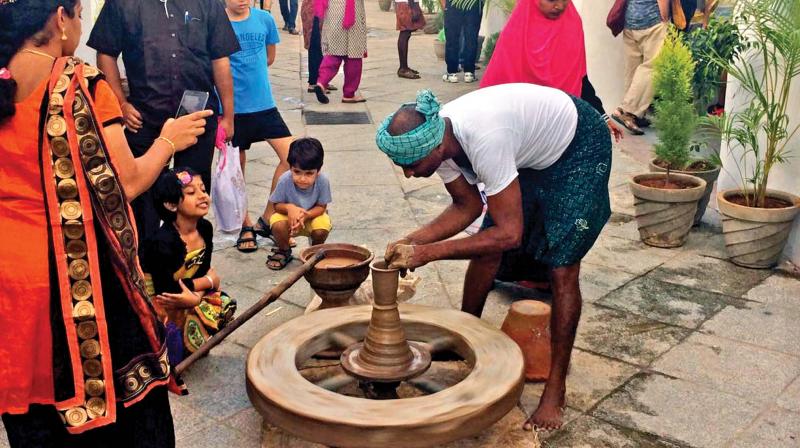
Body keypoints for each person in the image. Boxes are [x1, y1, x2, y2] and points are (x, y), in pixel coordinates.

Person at [0, 0, 212, 443]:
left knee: (30, 412)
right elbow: (128, 182)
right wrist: (168, 141)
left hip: (10, 285)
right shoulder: (79, 84)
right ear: (60, 17)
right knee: (127, 415)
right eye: (79, 15)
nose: (79, 27)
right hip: (73, 277)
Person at [375, 86, 611, 431]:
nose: (408, 174)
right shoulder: (437, 139)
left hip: (578, 145)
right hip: (530, 149)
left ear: (437, 147)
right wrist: (411, 241)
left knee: (562, 268)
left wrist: (428, 253)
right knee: (487, 251)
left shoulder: (484, 139)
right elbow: (466, 205)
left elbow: (509, 234)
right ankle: (462, 339)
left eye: (411, 166)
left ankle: (555, 390)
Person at [87, 0, 240, 242]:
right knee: (142, 196)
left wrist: (228, 116)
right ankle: (145, 263)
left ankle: (192, 260)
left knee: (193, 190)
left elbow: (220, 60)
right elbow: (106, 54)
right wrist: (121, 104)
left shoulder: (207, 3)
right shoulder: (122, 4)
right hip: (144, 118)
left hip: (196, 119)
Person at [481, 0, 623, 143]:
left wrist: (602, 116)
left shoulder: (572, 24)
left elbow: (579, 78)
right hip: (518, 130)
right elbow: (498, 84)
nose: (559, 6)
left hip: (559, 127)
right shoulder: (517, 31)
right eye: (551, 0)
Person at [141, 169, 236, 366]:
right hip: (160, 299)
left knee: (224, 303)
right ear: (171, 204)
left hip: (187, 293)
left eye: (203, 189)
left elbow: (204, 268)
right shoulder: (163, 242)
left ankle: (192, 339)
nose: (203, 196)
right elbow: (167, 290)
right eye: (191, 193)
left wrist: (198, 295)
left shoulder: (205, 228)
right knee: (171, 351)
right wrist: (209, 281)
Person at [224, 0, 297, 253]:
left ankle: (266, 218)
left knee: (292, 156)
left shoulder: (264, 20)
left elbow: (269, 57)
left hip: (264, 103)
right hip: (232, 108)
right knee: (235, 168)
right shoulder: (217, 23)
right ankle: (243, 222)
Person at [266, 138, 332, 270]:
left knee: (322, 227)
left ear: (318, 171)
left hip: (311, 216)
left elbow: (321, 207)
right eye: (297, 172)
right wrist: (290, 208)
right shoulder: (285, 179)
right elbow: (276, 205)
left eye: (309, 173)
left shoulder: (323, 181)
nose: (302, 178)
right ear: (290, 168)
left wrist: (305, 215)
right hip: (288, 219)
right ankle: (284, 250)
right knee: (276, 223)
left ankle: (314, 252)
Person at [610, 0, 669, 135]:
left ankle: (634, 114)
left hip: (630, 22)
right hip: (652, 22)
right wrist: (665, 19)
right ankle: (628, 112)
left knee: (633, 69)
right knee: (652, 67)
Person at [310, 0, 368, 104]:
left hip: (333, 14)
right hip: (353, 14)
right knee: (354, 55)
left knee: (333, 53)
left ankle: (321, 83)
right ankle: (349, 94)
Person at [301, 0, 339, 93]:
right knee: (315, 45)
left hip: (321, 9)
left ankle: (322, 81)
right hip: (314, 10)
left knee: (322, 46)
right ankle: (314, 82)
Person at [441, 0, 482, 83]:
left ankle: (452, 73)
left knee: (452, 37)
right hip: (473, 4)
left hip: (453, 4)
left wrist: (444, 4)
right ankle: (469, 73)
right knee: (471, 37)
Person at [395, 0, 426, 79]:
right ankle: (403, 69)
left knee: (406, 34)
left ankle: (404, 67)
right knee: (405, 33)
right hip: (406, 4)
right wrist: (412, 6)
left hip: (408, 3)